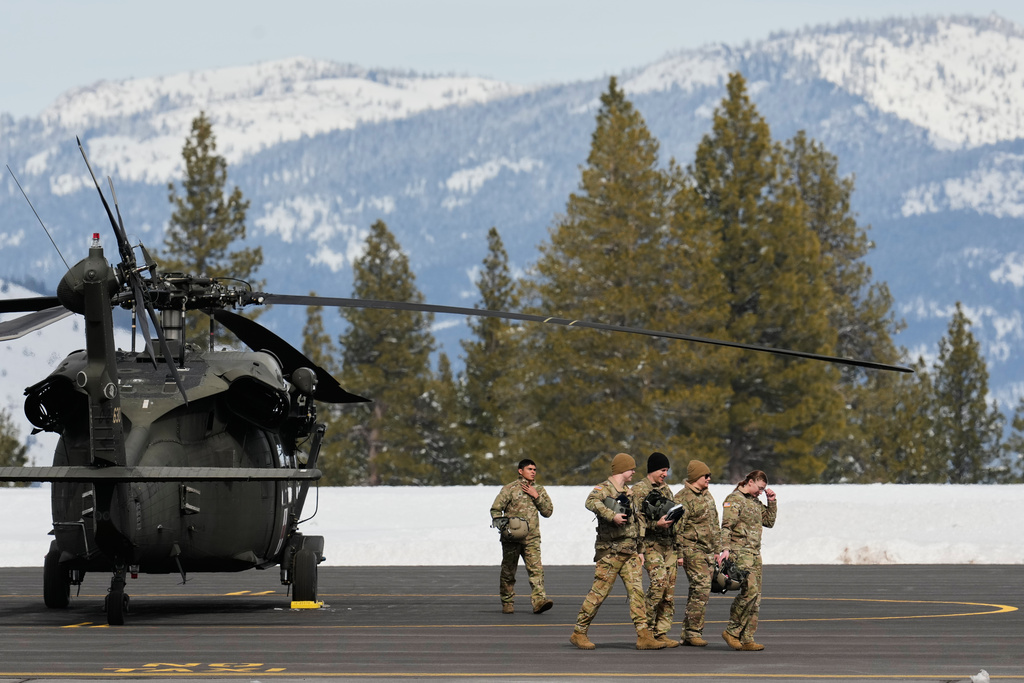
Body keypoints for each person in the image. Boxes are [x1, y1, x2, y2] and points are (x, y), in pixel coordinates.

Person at [570, 453, 666, 651]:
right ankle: (579, 632)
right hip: (611, 552)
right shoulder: (603, 489)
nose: (633, 472)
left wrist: (639, 549)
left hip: (629, 551)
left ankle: (643, 635)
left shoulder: (628, 492)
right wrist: (611, 515)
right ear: (622, 469)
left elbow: (636, 521)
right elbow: (591, 502)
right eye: (631, 469)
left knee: (637, 593)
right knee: (599, 593)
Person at [720, 469, 777, 651]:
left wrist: (772, 502)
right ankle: (732, 630)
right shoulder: (734, 499)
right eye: (759, 488)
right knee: (749, 592)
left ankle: (747, 637)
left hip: (754, 553)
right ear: (750, 482)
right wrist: (725, 549)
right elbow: (726, 527)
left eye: (763, 489)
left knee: (756, 597)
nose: (760, 492)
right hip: (740, 553)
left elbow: (769, 521)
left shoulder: (754, 502)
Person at [489, 459, 554, 615]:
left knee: (536, 570)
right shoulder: (509, 489)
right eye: (529, 469)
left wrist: (536, 496)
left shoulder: (539, 489)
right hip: (511, 539)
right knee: (508, 571)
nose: (533, 472)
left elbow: (548, 512)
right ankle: (507, 601)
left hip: (531, 538)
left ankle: (539, 601)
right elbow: (496, 510)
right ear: (520, 471)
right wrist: (504, 526)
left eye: (535, 469)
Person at [674, 459, 727, 647]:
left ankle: (689, 633)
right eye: (706, 475)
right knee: (701, 586)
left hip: (707, 551)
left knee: (700, 590)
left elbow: (714, 524)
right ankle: (693, 632)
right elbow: (677, 528)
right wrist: (679, 554)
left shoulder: (707, 496)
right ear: (697, 476)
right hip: (691, 549)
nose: (709, 478)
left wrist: (716, 550)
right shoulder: (683, 498)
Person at [631, 451, 679, 648]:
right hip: (650, 546)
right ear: (653, 469)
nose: (665, 474)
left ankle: (661, 632)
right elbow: (635, 521)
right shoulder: (638, 490)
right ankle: (647, 631)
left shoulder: (666, 489)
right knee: (658, 584)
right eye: (662, 470)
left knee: (668, 591)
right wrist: (655, 525)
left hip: (669, 545)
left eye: (667, 470)